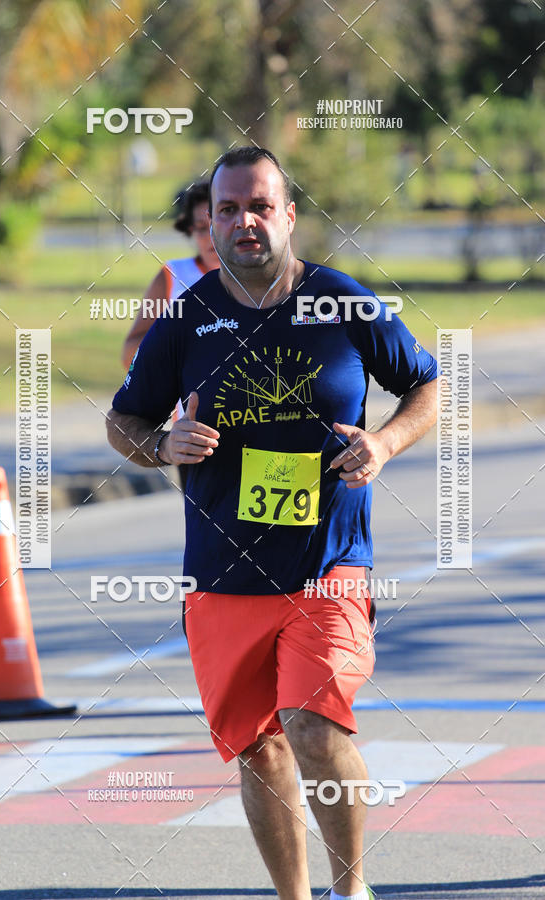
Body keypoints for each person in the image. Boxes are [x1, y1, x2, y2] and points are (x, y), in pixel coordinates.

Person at [107, 147, 440, 900]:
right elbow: (122, 419)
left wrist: (383, 442)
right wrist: (161, 445)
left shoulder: (342, 302)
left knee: (313, 725)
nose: (244, 222)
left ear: (290, 215)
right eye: (228, 210)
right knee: (258, 749)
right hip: (222, 574)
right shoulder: (186, 319)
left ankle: (351, 889)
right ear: (210, 225)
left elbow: (425, 383)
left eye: (260, 206)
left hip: (329, 563)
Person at [121, 179, 218, 370]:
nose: (210, 237)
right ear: (190, 229)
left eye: (216, 225)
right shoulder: (173, 275)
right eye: (201, 228)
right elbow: (129, 353)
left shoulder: (258, 276)